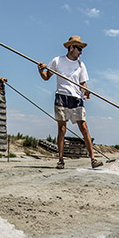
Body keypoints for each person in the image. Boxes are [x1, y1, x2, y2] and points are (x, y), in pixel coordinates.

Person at [38, 36, 102, 169]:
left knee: (83, 127)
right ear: (71, 47)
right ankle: (60, 160)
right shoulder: (57, 61)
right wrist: (40, 70)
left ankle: (93, 159)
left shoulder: (81, 65)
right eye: (79, 48)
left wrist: (86, 92)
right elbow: (46, 77)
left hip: (76, 98)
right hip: (62, 96)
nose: (81, 52)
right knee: (62, 129)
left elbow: (82, 84)